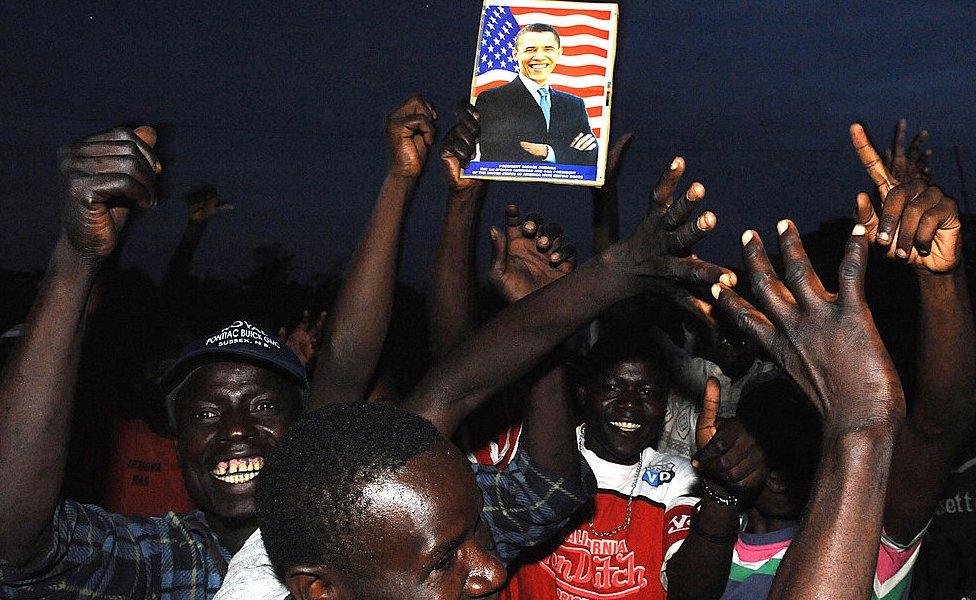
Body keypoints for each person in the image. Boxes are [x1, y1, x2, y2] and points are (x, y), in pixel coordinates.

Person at [216, 107, 736, 599]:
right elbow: (367, 371)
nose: (490, 570)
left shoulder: (415, 519)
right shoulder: (311, 552)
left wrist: (458, 200)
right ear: (318, 591)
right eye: (443, 561)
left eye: (475, 536)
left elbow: (458, 388)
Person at [0, 94, 450, 598]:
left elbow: (349, 368)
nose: (236, 431)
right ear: (175, 438)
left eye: (262, 405)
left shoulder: (372, 545)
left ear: (305, 426)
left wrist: (402, 181)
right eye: (205, 414)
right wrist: (77, 257)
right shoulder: (157, 562)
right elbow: (16, 540)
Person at [475, 23, 598, 166]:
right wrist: (568, 153)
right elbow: (497, 154)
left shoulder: (574, 104)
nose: (539, 57)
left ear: (559, 53)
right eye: (530, 49)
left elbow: (591, 156)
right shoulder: (492, 99)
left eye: (548, 49)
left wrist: (548, 152)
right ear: (516, 54)